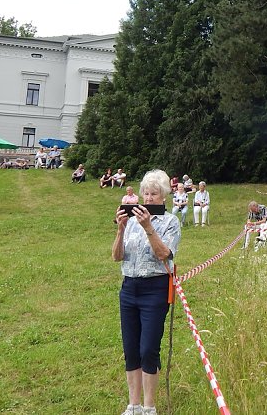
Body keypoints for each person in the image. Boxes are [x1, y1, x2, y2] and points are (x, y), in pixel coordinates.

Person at [113, 169, 181, 415]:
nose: (149, 197)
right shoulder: (131, 221)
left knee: (148, 348)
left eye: (154, 194)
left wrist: (149, 228)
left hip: (155, 288)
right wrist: (121, 230)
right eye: (146, 193)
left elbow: (164, 254)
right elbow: (117, 256)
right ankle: (133, 406)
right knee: (131, 348)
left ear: (164, 196)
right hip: (129, 288)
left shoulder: (171, 221)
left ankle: (149, 407)